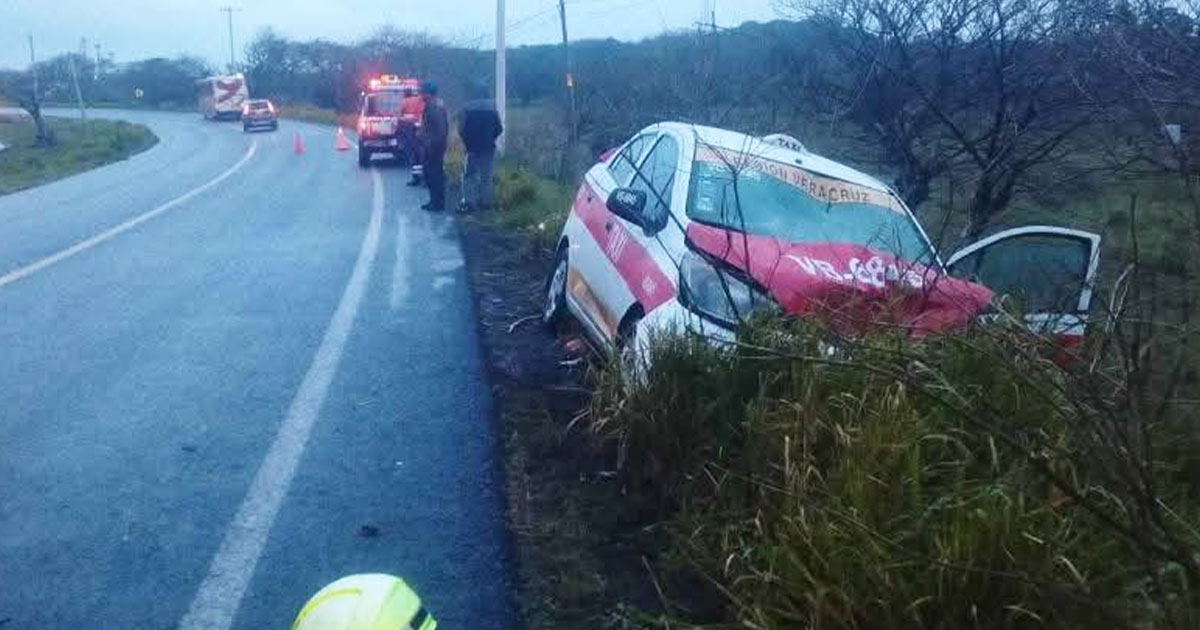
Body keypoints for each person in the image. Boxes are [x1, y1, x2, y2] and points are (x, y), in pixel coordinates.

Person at [457, 89, 504, 213]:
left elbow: (461, 129)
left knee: (469, 175)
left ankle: (469, 203)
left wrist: (467, 141)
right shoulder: (492, 108)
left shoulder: (466, 108)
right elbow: (499, 128)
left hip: (471, 148)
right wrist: (490, 138)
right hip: (488, 147)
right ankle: (486, 204)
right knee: (486, 176)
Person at [418, 81, 448, 211]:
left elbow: (440, 129)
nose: (421, 94)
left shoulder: (434, 107)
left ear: (429, 93)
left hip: (434, 146)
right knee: (434, 174)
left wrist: (430, 145)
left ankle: (437, 203)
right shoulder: (434, 105)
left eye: (423, 92)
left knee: (433, 175)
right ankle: (435, 201)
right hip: (434, 145)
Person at [400, 81, 425, 186]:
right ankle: (424, 178)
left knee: (414, 155)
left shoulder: (404, 101)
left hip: (410, 130)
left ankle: (416, 178)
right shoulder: (420, 100)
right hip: (422, 128)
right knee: (422, 154)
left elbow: (401, 113)